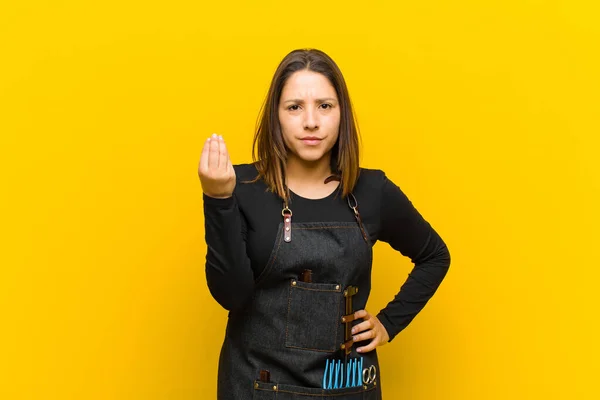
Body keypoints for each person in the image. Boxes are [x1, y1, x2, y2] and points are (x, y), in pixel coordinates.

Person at [198, 48, 450, 399]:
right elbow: (231, 295)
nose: (311, 122)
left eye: (325, 106)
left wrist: (388, 324)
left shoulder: (373, 191)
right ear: (276, 117)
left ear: (341, 114)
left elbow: (435, 255)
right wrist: (219, 200)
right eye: (294, 107)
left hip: (344, 387)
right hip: (255, 385)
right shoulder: (239, 186)